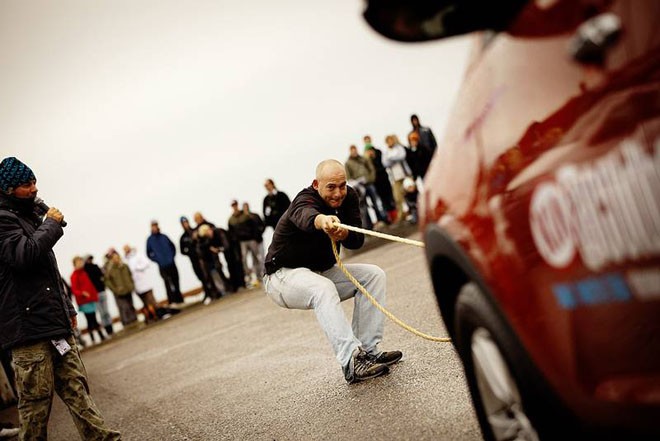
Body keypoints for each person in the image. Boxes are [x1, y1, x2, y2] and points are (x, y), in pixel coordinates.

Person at [0, 156, 120, 440]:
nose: (34, 189)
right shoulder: (3, 221)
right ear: (7, 190)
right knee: (35, 405)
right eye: (26, 184)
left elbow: (48, 273)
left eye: (34, 182)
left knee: (77, 389)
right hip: (28, 332)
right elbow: (24, 256)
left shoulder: (30, 217)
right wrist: (50, 225)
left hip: (54, 323)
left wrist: (67, 307)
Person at [263, 159, 402, 384]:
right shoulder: (304, 199)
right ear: (316, 184)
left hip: (318, 271)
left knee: (374, 275)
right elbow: (305, 216)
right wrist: (323, 220)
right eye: (331, 187)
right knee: (323, 288)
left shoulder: (350, 197)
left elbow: (357, 240)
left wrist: (344, 235)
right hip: (281, 277)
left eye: (342, 185)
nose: (338, 193)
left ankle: (368, 351)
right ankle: (351, 362)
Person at [345, 144, 389, 230]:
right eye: (352, 150)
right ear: (350, 151)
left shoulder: (363, 159)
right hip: (359, 188)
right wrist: (355, 183)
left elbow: (371, 169)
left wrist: (370, 179)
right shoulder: (348, 163)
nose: (354, 151)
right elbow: (348, 177)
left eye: (355, 149)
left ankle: (382, 220)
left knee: (376, 202)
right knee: (363, 206)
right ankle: (368, 226)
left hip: (369, 184)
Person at [146, 220, 184, 305]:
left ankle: (179, 298)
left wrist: (172, 256)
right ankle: (171, 300)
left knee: (175, 280)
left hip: (171, 262)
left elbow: (172, 246)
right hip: (162, 265)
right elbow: (149, 253)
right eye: (153, 226)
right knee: (167, 282)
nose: (154, 227)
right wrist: (157, 259)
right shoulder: (150, 240)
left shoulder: (164, 237)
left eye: (156, 226)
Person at [70, 256, 106, 344]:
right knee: (90, 319)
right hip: (83, 302)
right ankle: (94, 337)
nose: (80, 264)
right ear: (74, 264)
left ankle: (100, 336)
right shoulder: (74, 276)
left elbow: (91, 286)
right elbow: (74, 290)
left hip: (91, 299)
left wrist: (95, 296)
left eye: (81, 262)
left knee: (93, 318)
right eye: (78, 262)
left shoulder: (84, 273)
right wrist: (83, 293)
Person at [123, 245, 159, 323]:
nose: (126, 250)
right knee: (144, 302)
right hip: (136, 285)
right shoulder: (125, 260)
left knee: (151, 300)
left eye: (127, 248)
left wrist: (137, 268)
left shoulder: (138, 255)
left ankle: (158, 313)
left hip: (144, 282)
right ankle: (150, 316)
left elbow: (146, 263)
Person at [363, 135, 396, 222]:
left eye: (368, 140)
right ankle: (388, 217)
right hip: (376, 181)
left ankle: (395, 215)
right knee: (382, 199)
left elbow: (384, 163)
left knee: (390, 196)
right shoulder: (365, 158)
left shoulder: (378, 152)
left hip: (384, 178)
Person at [227, 200, 259, 287]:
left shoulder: (245, 215)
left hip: (251, 239)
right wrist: (235, 240)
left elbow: (254, 225)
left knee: (255, 257)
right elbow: (231, 232)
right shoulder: (231, 219)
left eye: (235, 205)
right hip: (241, 242)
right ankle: (249, 276)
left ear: (237, 205)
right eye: (233, 205)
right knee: (244, 259)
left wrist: (255, 237)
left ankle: (258, 274)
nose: (235, 207)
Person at [382, 134, 413, 224]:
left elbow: (402, 156)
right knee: (397, 197)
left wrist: (391, 158)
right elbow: (385, 163)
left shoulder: (399, 148)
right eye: (388, 141)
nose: (390, 142)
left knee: (409, 194)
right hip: (395, 178)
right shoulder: (386, 152)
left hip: (405, 175)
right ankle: (401, 215)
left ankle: (412, 211)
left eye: (391, 140)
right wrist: (394, 159)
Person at [104, 250, 138, 328]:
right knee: (124, 308)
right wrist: (115, 289)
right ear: (112, 259)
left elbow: (130, 275)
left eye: (117, 257)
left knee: (130, 305)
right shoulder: (110, 269)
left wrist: (131, 285)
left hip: (128, 289)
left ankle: (134, 321)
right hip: (119, 292)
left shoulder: (125, 266)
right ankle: (126, 323)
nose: (116, 259)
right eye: (114, 258)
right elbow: (107, 281)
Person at [196, 224, 229, 303]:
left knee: (218, 275)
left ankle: (223, 289)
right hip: (208, 262)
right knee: (215, 277)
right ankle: (221, 290)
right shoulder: (203, 241)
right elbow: (202, 252)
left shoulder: (207, 239)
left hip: (213, 260)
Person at [83, 254, 114, 336]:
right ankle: (107, 329)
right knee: (102, 313)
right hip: (94, 294)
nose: (90, 260)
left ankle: (111, 329)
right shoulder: (85, 271)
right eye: (88, 259)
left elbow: (102, 275)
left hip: (102, 291)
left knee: (106, 311)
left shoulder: (96, 266)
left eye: (90, 258)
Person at [409, 114, 437, 179]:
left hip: (430, 156)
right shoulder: (411, 134)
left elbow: (434, 143)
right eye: (413, 120)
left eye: (415, 120)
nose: (415, 122)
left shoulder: (426, 130)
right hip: (421, 161)